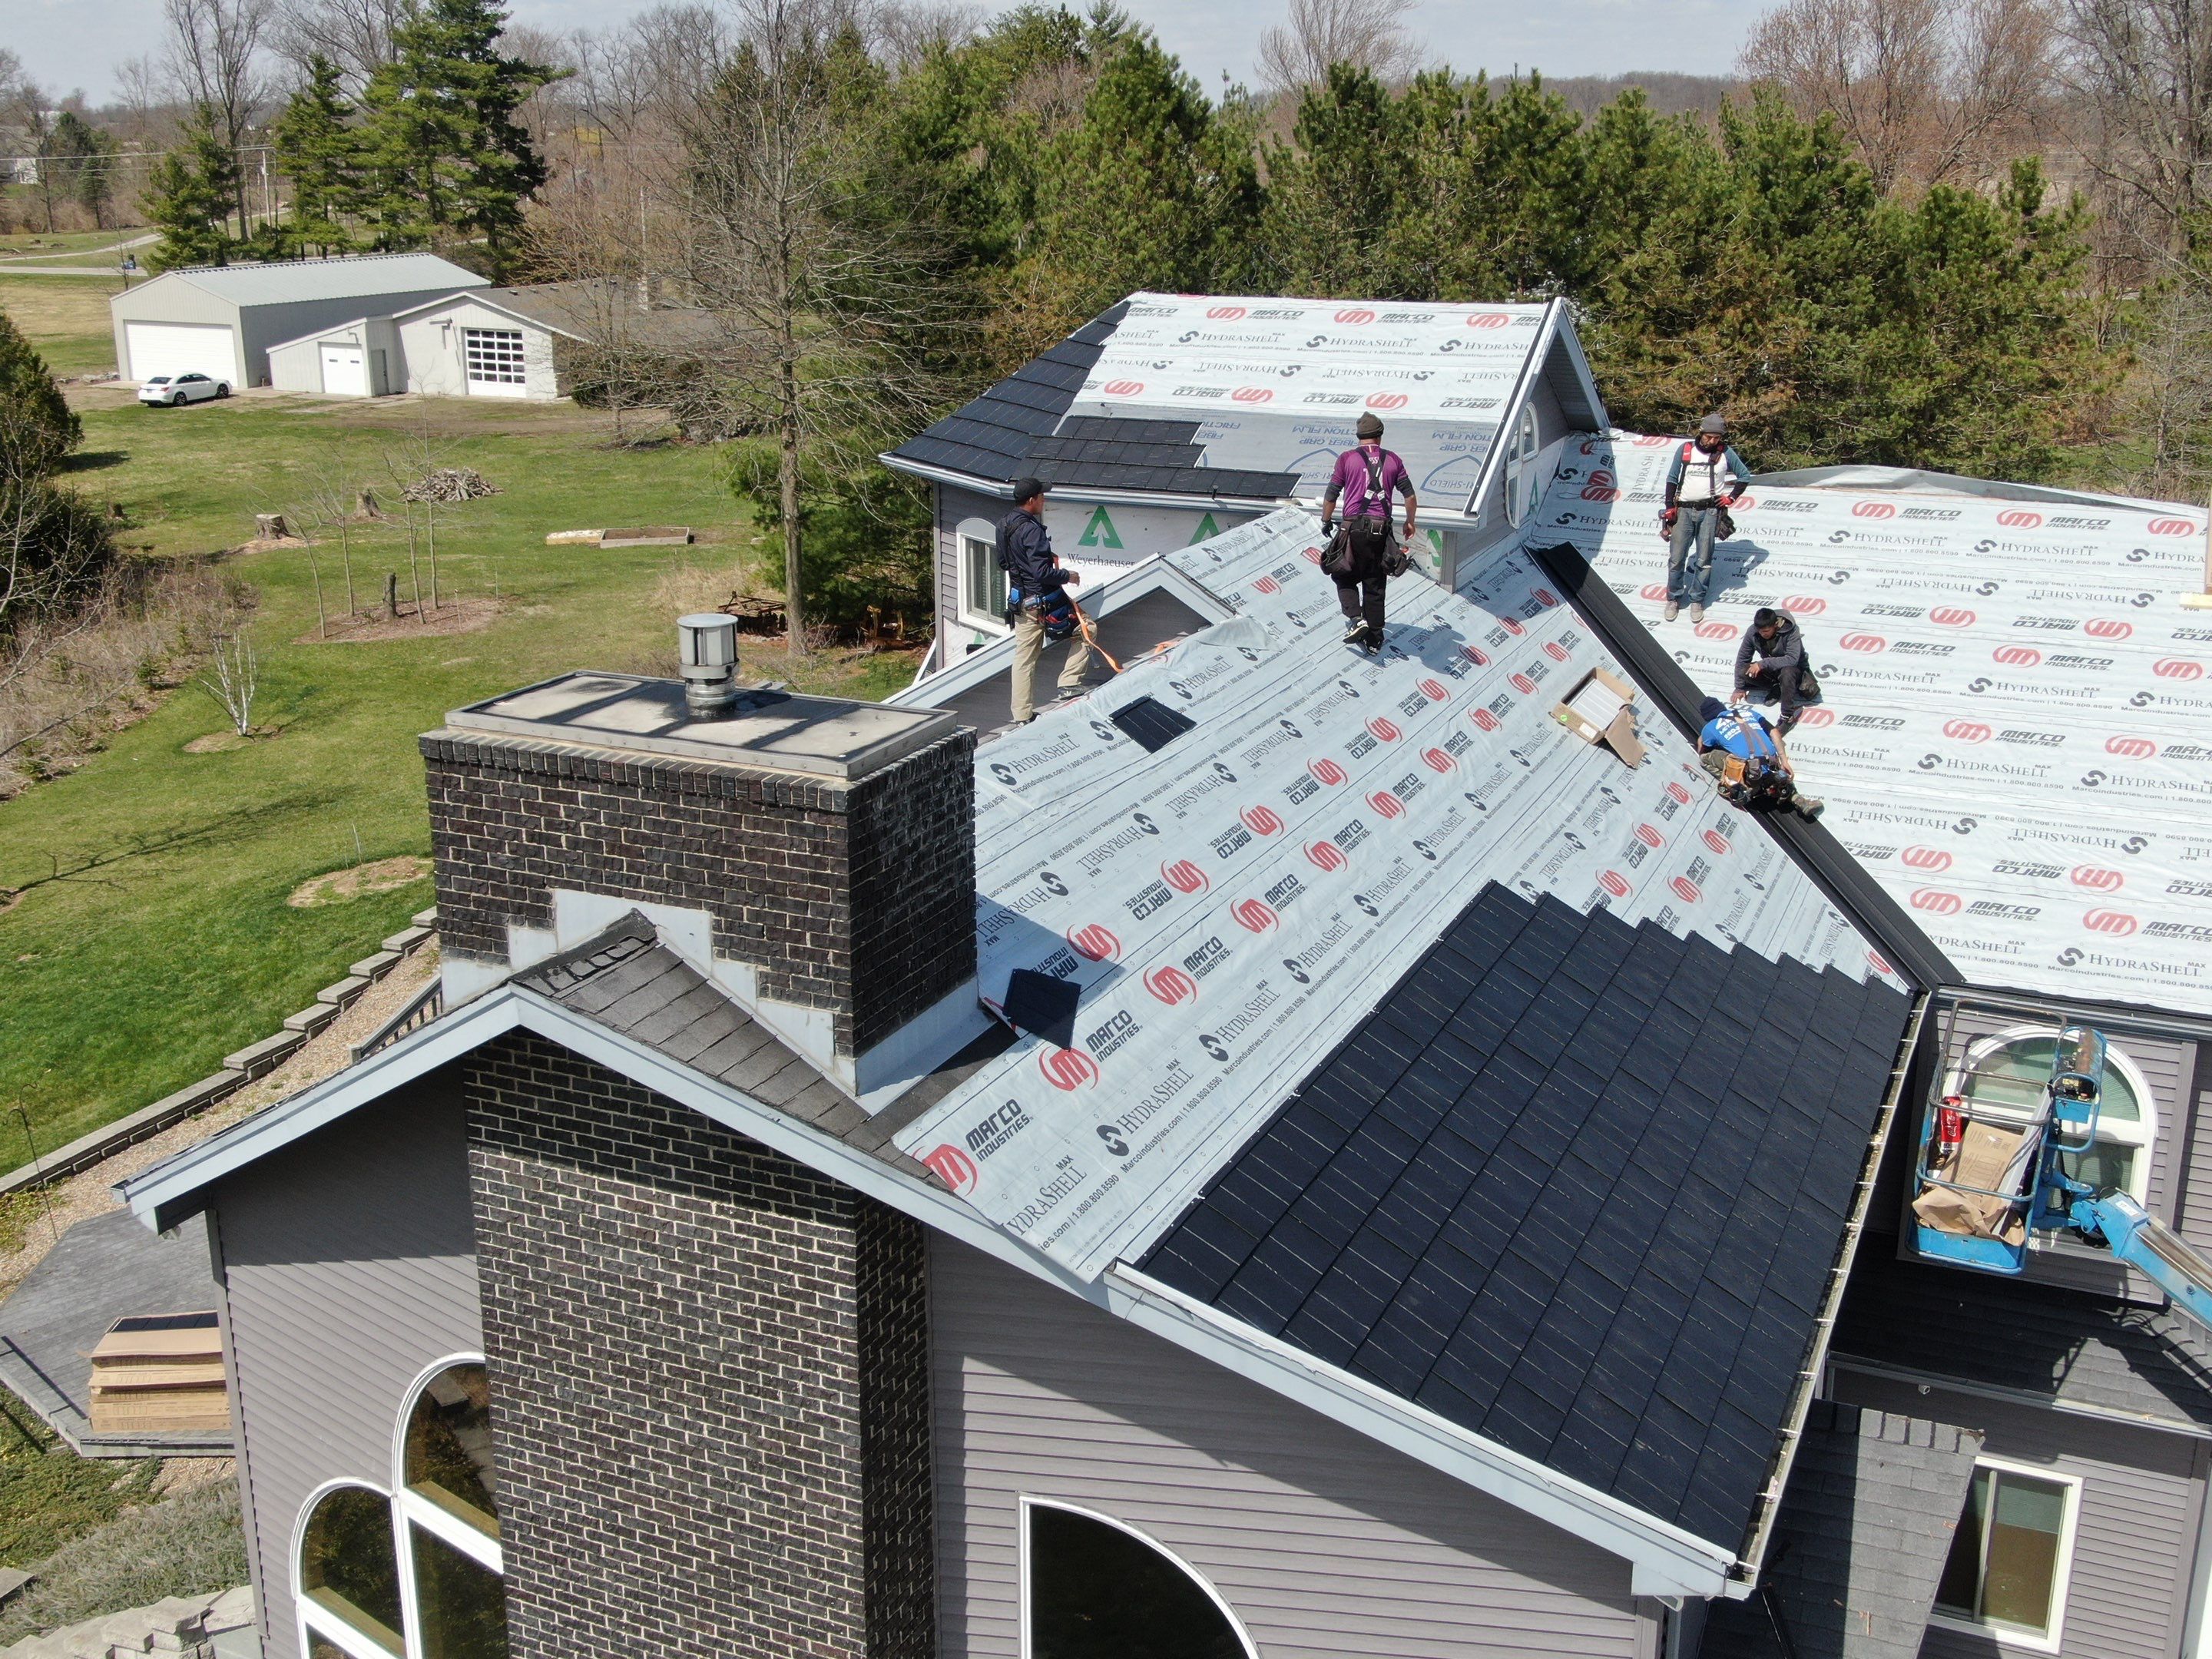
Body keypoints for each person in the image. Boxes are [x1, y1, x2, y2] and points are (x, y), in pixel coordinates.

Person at [997, 478, 1096, 724]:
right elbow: (1042, 573)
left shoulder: (1003, 525)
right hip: (1044, 602)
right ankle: (1069, 683)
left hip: (1021, 602)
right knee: (1087, 629)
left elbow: (1004, 563)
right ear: (1031, 500)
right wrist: (1068, 575)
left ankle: (1022, 715)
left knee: (1024, 658)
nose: (1044, 500)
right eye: (1042, 496)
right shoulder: (1031, 530)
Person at [1320, 412, 1417, 651]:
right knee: (1375, 580)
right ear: (1380, 436)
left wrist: (1326, 520)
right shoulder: (1393, 460)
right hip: (1381, 529)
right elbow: (1410, 496)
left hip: (1353, 527)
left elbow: (1332, 494)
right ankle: (1375, 637)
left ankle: (1356, 619)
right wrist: (1410, 522)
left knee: (1343, 572)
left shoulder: (1346, 459)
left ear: (1359, 436)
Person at [1662, 413, 1752, 624]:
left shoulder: (1725, 453)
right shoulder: (1686, 450)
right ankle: (1673, 598)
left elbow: (1745, 476)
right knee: (1676, 558)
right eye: (1709, 437)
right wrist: (1669, 508)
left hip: (1710, 511)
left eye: (1717, 438)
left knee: (1704, 560)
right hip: (1683, 510)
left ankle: (1697, 600)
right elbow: (1672, 479)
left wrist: (1731, 498)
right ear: (1701, 433)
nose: (1712, 441)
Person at [1696, 695, 1822, 820]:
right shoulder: (1747, 712)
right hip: (1771, 762)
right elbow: (1774, 733)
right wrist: (1784, 761)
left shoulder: (1710, 727)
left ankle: (1736, 786)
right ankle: (1800, 801)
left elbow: (1703, 751)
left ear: (1708, 718)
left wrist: (1701, 739)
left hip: (1749, 773)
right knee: (1777, 776)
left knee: (1705, 759)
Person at [1734, 606, 1810, 733]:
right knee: (1744, 671)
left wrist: (1762, 664)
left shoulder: (1791, 631)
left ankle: (1787, 717)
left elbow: (1792, 659)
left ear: (1775, 625)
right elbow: (1742, 658)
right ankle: (1775, 687)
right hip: (1773, 670)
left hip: (1795, 671)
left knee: (1787, 672)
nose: (1763, 634)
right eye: (1760, 631)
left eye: (1766, 631)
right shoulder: (1753, 632)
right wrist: (1739, 687)